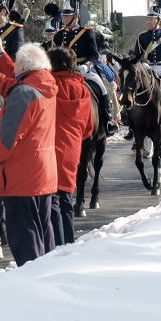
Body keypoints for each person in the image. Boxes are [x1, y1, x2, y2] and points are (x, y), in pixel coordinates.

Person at [0, 43, 57, 267]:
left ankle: (33, 285)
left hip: (21, 178)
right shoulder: (43, 84)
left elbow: (6, 141)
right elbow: (18, 87)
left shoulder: (24, 92)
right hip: (42, 174)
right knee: (42, 231)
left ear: (21, 66)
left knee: (24, 236)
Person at [51, 0, 117, 136]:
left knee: (101, 87)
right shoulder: (59, 35)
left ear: (76, 16)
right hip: (63, 71)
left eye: (68, 15)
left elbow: (94, 54)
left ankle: (107, 120)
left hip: (83, 69)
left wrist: (86, 66)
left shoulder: (87, 32)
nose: (64, 18)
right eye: (64, 15)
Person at [46, 47, 94, 245]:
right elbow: (89, 127)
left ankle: (59, 244)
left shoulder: (49, 85)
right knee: (66, 196)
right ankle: (69, 241)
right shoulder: (82, 88)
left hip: (51, 146)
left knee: (54, 199)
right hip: (73, 147)